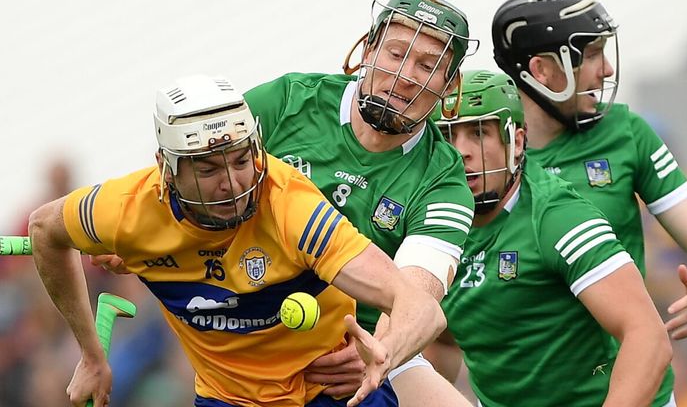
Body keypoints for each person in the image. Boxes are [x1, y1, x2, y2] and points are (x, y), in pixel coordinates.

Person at [28, 74, 447, 407]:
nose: (232, 184)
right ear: (167, 169)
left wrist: (384, 352)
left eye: (242, 160)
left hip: (333, 396)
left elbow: (421, 308)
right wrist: (91, 356)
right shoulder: (126, 211)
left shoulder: (290, 207)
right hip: (227, 400)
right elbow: (45, 229)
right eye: (208, 170)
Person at [491, 0, 687, 405]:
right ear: (541, 69)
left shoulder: (627, 133)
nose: (606, 69)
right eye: (591, 55)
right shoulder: (480, 158)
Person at [242, 0, 478, 407]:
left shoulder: (444, 180)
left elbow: (416, 293)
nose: (405, 75)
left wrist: (379, 351)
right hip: (254, 319)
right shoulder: (285, 102)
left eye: (428, 66)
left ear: (450, 86)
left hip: (365, 340)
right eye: (396, 53)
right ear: (367, 51)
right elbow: (193, 175)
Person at [425, 69, 672, 406]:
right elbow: (442, 343)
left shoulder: (557, 217)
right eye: (446, 135)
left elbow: (649, 338)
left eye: (479, 132)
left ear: (516, 143)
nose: (461, 152)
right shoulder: (433, 225)